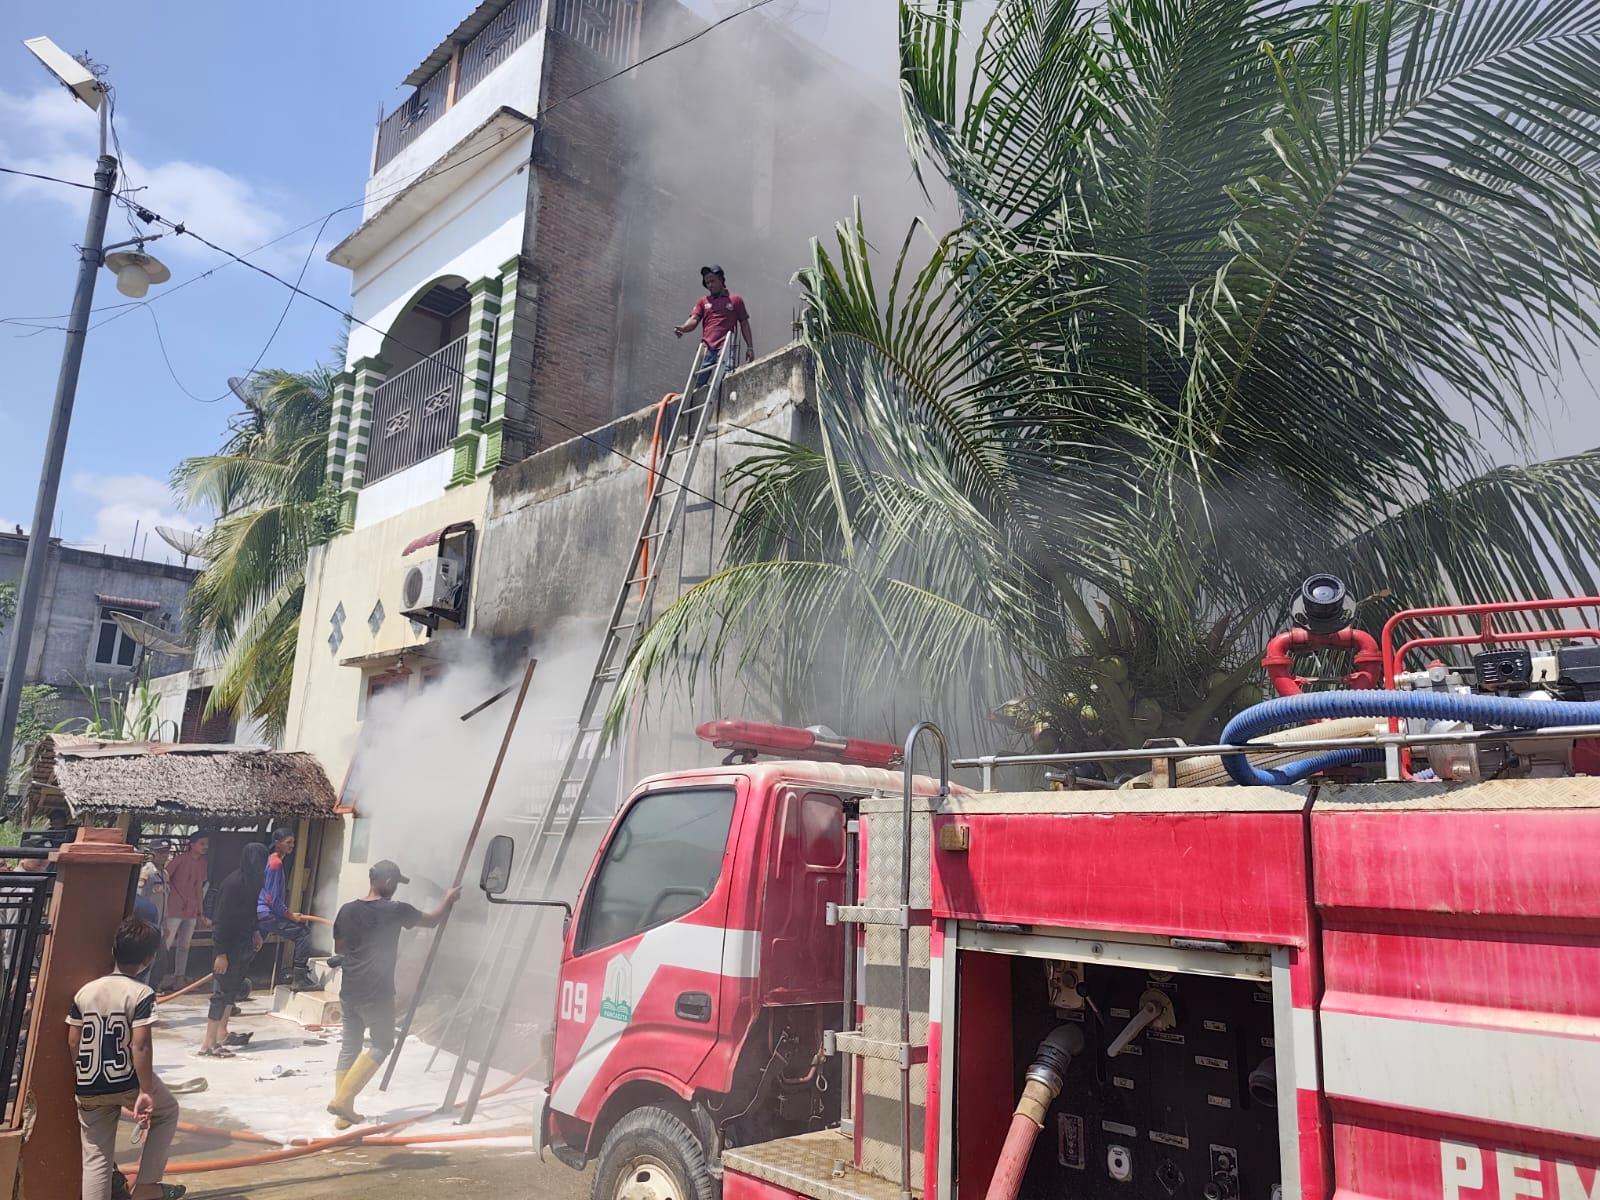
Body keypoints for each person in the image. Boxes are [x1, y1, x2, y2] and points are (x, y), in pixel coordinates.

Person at [326, 861, 459, 1128]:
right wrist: (448, 899)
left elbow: (341, 948)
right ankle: (343, 1100)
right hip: (377, 991)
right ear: (387, 883)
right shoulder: (396, 910)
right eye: (396, 883)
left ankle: (344, 1111)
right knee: (382, 1043)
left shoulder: (347, 910)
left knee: (350, 1047)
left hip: (349, 989)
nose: (397, 888)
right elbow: (432, 921)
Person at [68, 917, 185, 1200]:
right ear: (149, 959)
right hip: (126, 1081)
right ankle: (146, 1186)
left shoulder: (85, 992)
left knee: (95, 1157)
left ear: (113, 951)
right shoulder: (141, 993)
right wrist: (146, 1090)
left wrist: (83, 1073)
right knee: (167, 1112)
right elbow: (141, 1044)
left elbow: (73, 1040)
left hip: (89, 1085)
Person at [200, 844, 266, 1058]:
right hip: (226, 945)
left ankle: (220, 1036)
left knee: (231, 990)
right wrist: (220, 953)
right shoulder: (233, 883)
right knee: (219, 994)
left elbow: (251, 911)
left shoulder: (255, 881)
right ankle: (207, 1044)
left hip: (243, 942)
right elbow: (221, 920)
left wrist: (256, 931)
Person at [673, 264, 753, 386]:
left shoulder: (735, 300)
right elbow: (694, 319)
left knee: (726, 380)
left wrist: (750, 347)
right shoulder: (703, 302)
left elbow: (744, 324)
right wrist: (683, 328)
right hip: (707, 349)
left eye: (712, 281)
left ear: (721, 280)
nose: (710, 285)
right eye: (707, 282)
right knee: (698, 385)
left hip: (726, 347)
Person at [256, 827, 313, 991]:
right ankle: (300, 978)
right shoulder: (275, 864)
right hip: (268, 913)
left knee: (253, 947)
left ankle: (235, 985)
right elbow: (273, 899)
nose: (292, 846)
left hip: (261, 913)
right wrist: (290, 915)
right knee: (303, 933)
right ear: (277, 843)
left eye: (293, 842)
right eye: (288, 842)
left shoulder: (270, 860)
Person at [162, 833, 208, 990]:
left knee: (185, 946)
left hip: (192, 910)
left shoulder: (202, 863)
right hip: (174, 908)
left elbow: (199, 888)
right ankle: (158, 978)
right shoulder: (180, 860)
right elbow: (164, 877)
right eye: (202, 843)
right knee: (166, 944)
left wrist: (201, 912)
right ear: (192, 844)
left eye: (206, 844)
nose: (205, 847)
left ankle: (179, 978)